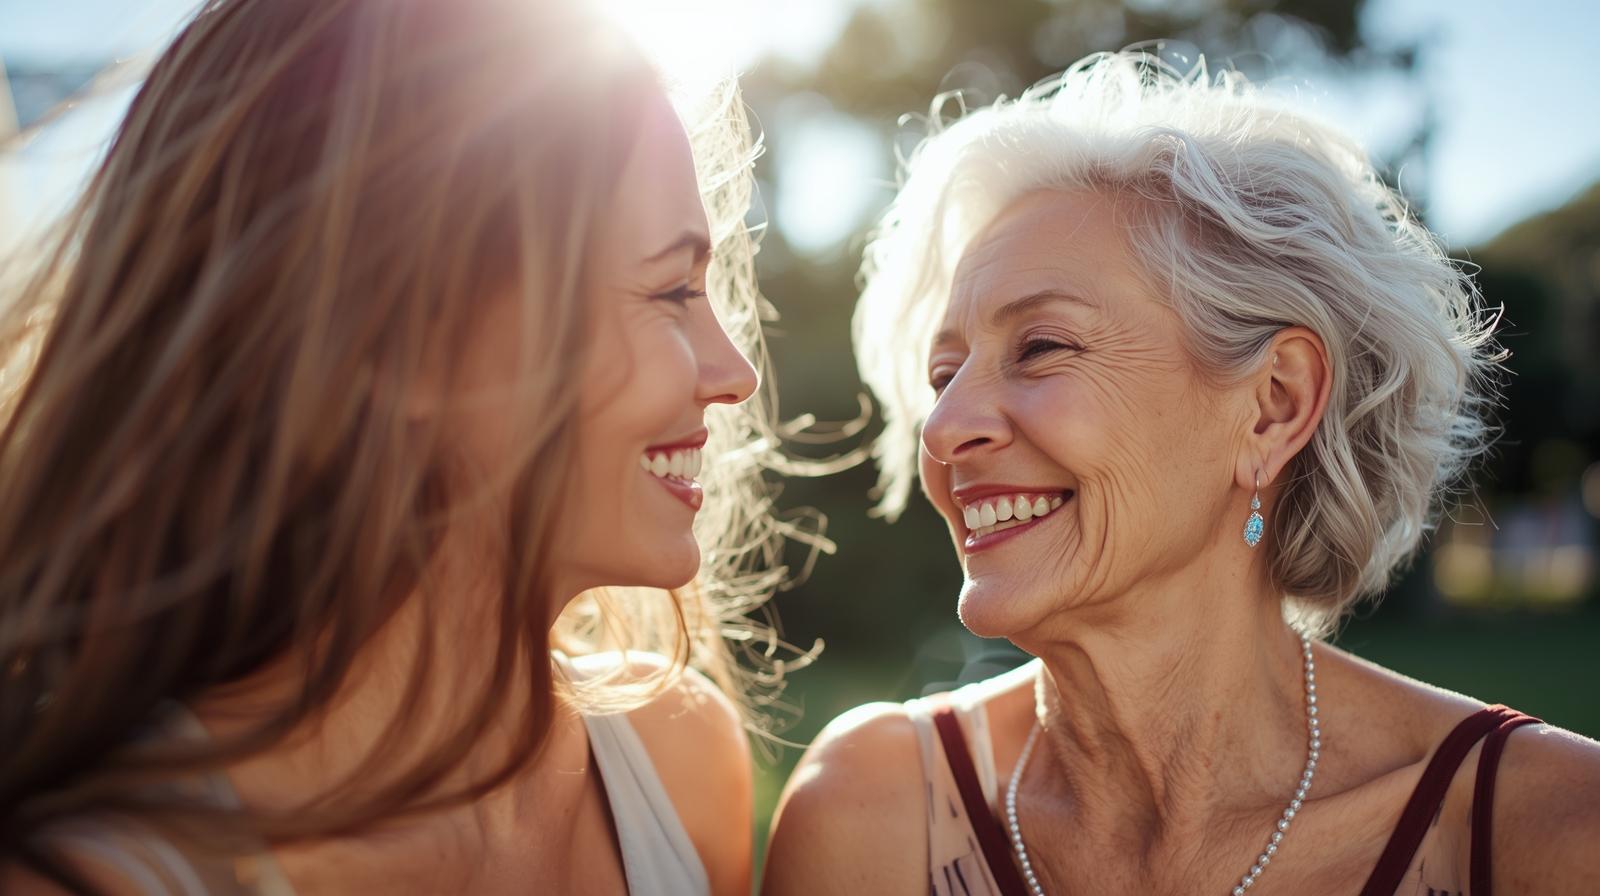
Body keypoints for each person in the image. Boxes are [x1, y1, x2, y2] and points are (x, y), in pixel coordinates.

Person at [765, 52, 1600, 895]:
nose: (942, 429)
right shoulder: (867, 820)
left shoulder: (1552, 834)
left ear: (1274, 406)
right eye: (944, 376)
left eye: (1042, 347)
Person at [0, 0, 787, 893]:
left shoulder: (681, 762)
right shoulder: (91, 876)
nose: (735, 374)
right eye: (670, 291)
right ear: (401, 340)